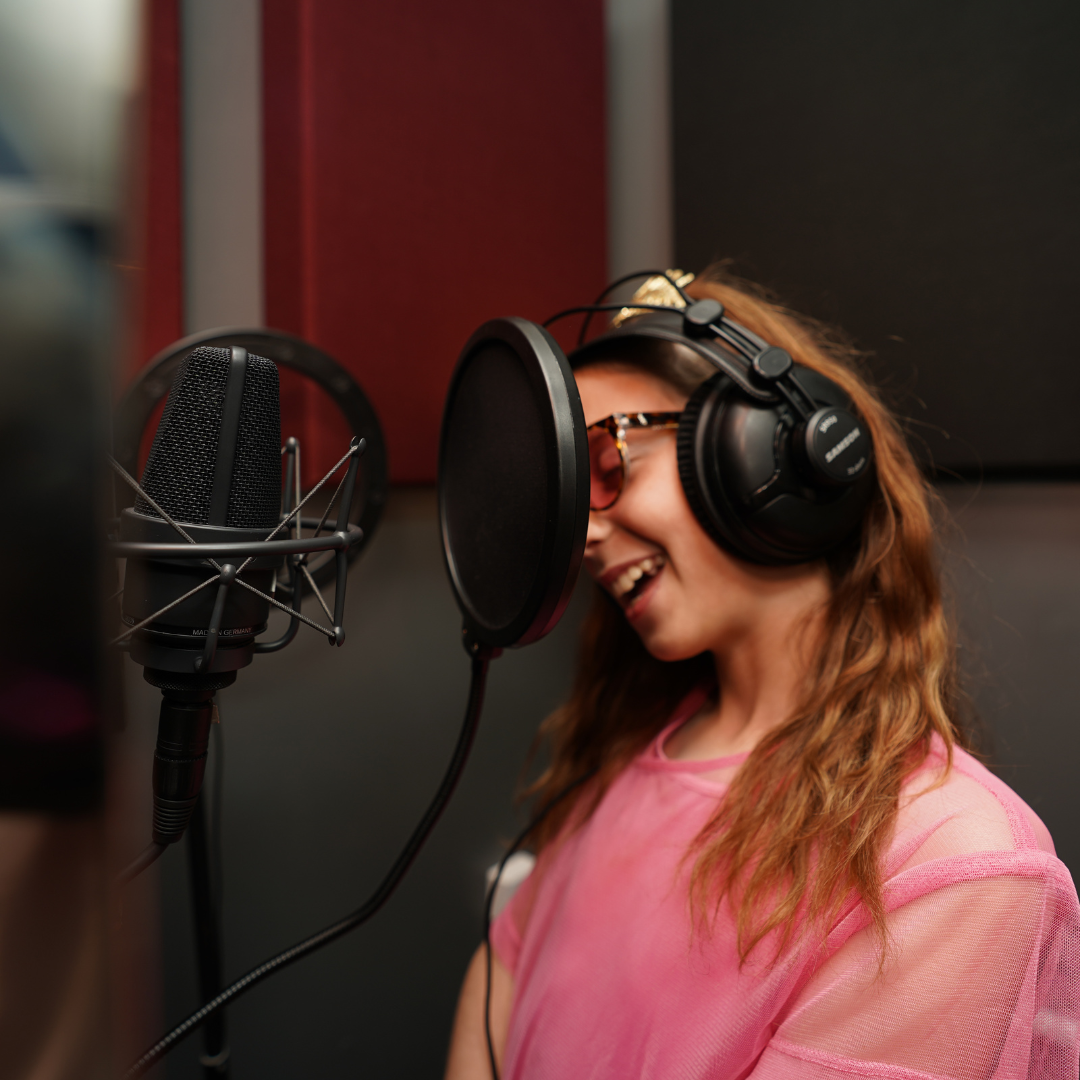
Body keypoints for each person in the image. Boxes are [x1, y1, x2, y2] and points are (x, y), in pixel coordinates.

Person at [444, 265, 1080, 1080]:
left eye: (610, 465)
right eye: (573, 502)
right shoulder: (615, 777)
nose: (585, 536)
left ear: (763, 456)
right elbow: (500, 981)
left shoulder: (957, 863)